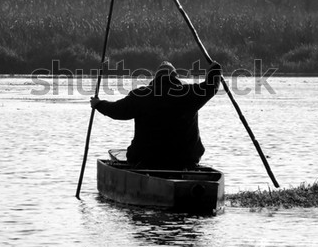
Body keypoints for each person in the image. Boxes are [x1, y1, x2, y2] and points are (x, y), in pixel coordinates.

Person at [90, 60, 222, 168]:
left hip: (146, 160)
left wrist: (98, 104)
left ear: (156, 78)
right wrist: (215, 69)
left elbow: (116, 110)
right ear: (175, 77)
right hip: (185, 161)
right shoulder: (190, 93)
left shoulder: (141, 95)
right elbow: (211, 87)